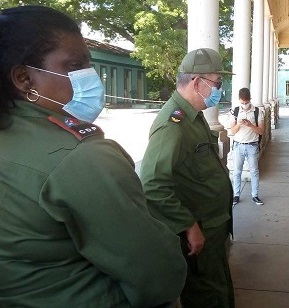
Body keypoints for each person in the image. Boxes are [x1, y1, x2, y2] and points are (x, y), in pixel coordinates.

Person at [0, 6, 187, 307]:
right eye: (75, 66)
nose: (90, 78)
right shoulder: (82, 156)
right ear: (24, 79)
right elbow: (158, 274)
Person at [140, 48, 235, 308]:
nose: (220, 88)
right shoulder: (173, 125)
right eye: (217, 82)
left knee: (217, 284)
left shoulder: (194, 117)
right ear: (197, 82)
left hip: (213, 225)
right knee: (206, 294)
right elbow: (152, 184)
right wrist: (189, 225)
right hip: (200, 229)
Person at [230, 87, 265, 206]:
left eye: (246, 102)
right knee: (237, 172)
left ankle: (255, 195)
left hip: (252, 146)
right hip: (238, 145)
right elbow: (233, 131)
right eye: (242, 103)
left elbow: (261, 131)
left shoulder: (257, 112)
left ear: (250, 99)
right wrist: (239, 124)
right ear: (239, 100)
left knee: (254, 171)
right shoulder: (234, 111)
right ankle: (236, 195)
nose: (244, 105)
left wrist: (250, 125)